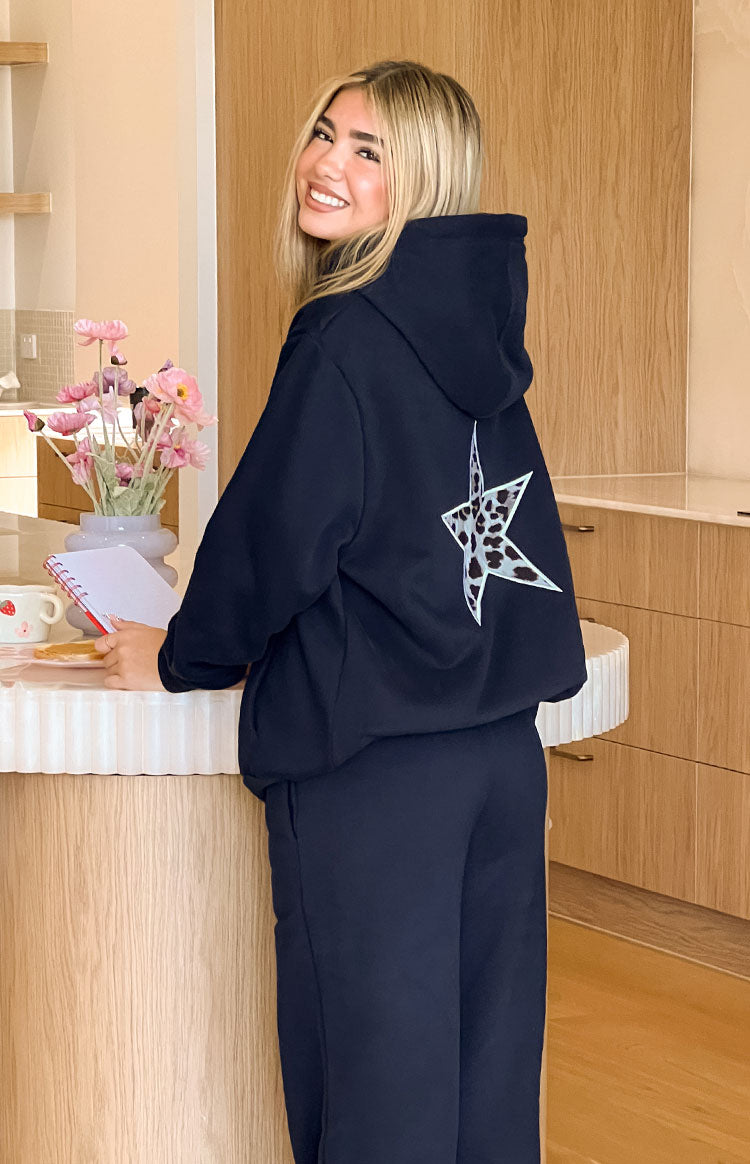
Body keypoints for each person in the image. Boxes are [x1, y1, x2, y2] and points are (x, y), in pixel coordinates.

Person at [95, 59, 588, 1164]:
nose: (326, 165)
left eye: (370, 153)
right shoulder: (478, 338)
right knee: (484, 1091)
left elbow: (276, 539)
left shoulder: (348, 337)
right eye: (326, 134)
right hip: (500, 763)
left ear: (422, 183)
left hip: (377, 775)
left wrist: (177, 659)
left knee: (374, 1101)